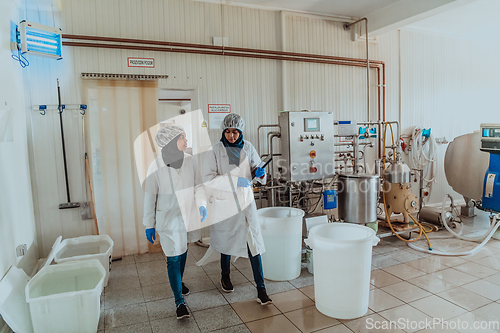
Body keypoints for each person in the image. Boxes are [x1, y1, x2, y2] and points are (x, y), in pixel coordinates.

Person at [201, 113, 272, 305]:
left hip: (246, 202)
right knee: (226, 241)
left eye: (235, 132)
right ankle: (225, 276)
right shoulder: (215, 150)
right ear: (223, 131)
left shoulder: (248, 147)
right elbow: (208, 178)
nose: (231, 135)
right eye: (228, 131)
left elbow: (258, 171)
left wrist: (260, 173)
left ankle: (261, 288)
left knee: (253, 243)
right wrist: (233, 181)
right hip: (225, 203)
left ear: (240, 131)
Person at [143, 125, 208, 320]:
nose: (186, 141)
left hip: (187, 216)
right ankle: (179, 301)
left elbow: (199, 185)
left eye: (185, 137)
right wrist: (149, 223)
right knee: (173, 257)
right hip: (168, 219)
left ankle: (179, 282)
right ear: (171, 142)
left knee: (183, 250)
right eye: (182, 138)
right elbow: (149, 197)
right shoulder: (156, 166)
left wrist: (202, 203)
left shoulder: (190, 161)